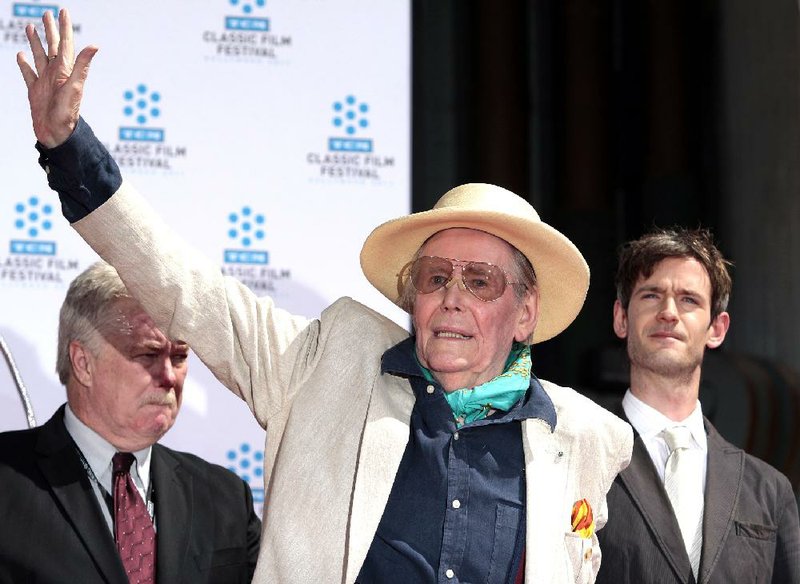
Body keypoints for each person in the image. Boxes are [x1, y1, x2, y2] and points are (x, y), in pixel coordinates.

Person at [17, 9, 632, 583]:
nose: (451, 297)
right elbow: (184, 286)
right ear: (410, 296)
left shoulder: (584, 439)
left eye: (480, 282)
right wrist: (69, 149)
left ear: (525, 311)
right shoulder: (325, 363)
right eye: (435, 277)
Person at [0, 261, 262, 584]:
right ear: (83, 363)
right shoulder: (7, 482)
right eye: (147, 355)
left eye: (179, 356)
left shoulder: (227, 500)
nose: (169, 376)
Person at [596, 227, 800, 583]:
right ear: (621, 318)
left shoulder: (769, 489)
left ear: (717, 329)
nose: (668, 312)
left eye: (689, 299)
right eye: (651, 295)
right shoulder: (579, 458)